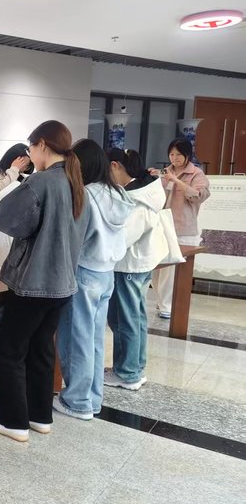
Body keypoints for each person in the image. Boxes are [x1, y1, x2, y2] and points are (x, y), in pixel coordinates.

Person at [0, 120, 88, 442]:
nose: (30, 154)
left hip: (34, 282)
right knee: (42, 349)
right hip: (63, 284)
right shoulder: (76, 183)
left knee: (10, 350)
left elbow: (8, 220)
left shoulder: (41, 182)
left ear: (42, 144)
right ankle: (39, 415)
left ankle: (13, 421)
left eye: (31, 148)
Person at [54, 140, 133, 420]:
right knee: (95, 339)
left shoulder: (86, 195)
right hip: (107, 273)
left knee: (77, 338)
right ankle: (93, 398)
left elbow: (76, 237)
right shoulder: (117, 193)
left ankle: (77, 401)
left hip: (84, 271)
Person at [105, 149, 169, 390]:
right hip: (139, 264)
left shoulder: (137, 198)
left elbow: (123, 238)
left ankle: (127, 372)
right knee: (136, 317)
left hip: (129, 266)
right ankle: (135, 367)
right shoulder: (146, 190)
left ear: (115, 165)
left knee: (125, 319)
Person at [148, 138, 210, 318]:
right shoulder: (166, 171)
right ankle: (161, 302)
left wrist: (175, 180)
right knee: (157, 268)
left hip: (183, 229)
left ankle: (167, 306)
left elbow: (198, 196)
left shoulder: (196, 174)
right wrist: (154, 177)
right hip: (161, 226)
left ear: (187, 155)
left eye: (178, 155)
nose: (174, 158)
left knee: (171, 271)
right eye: (171, 154)